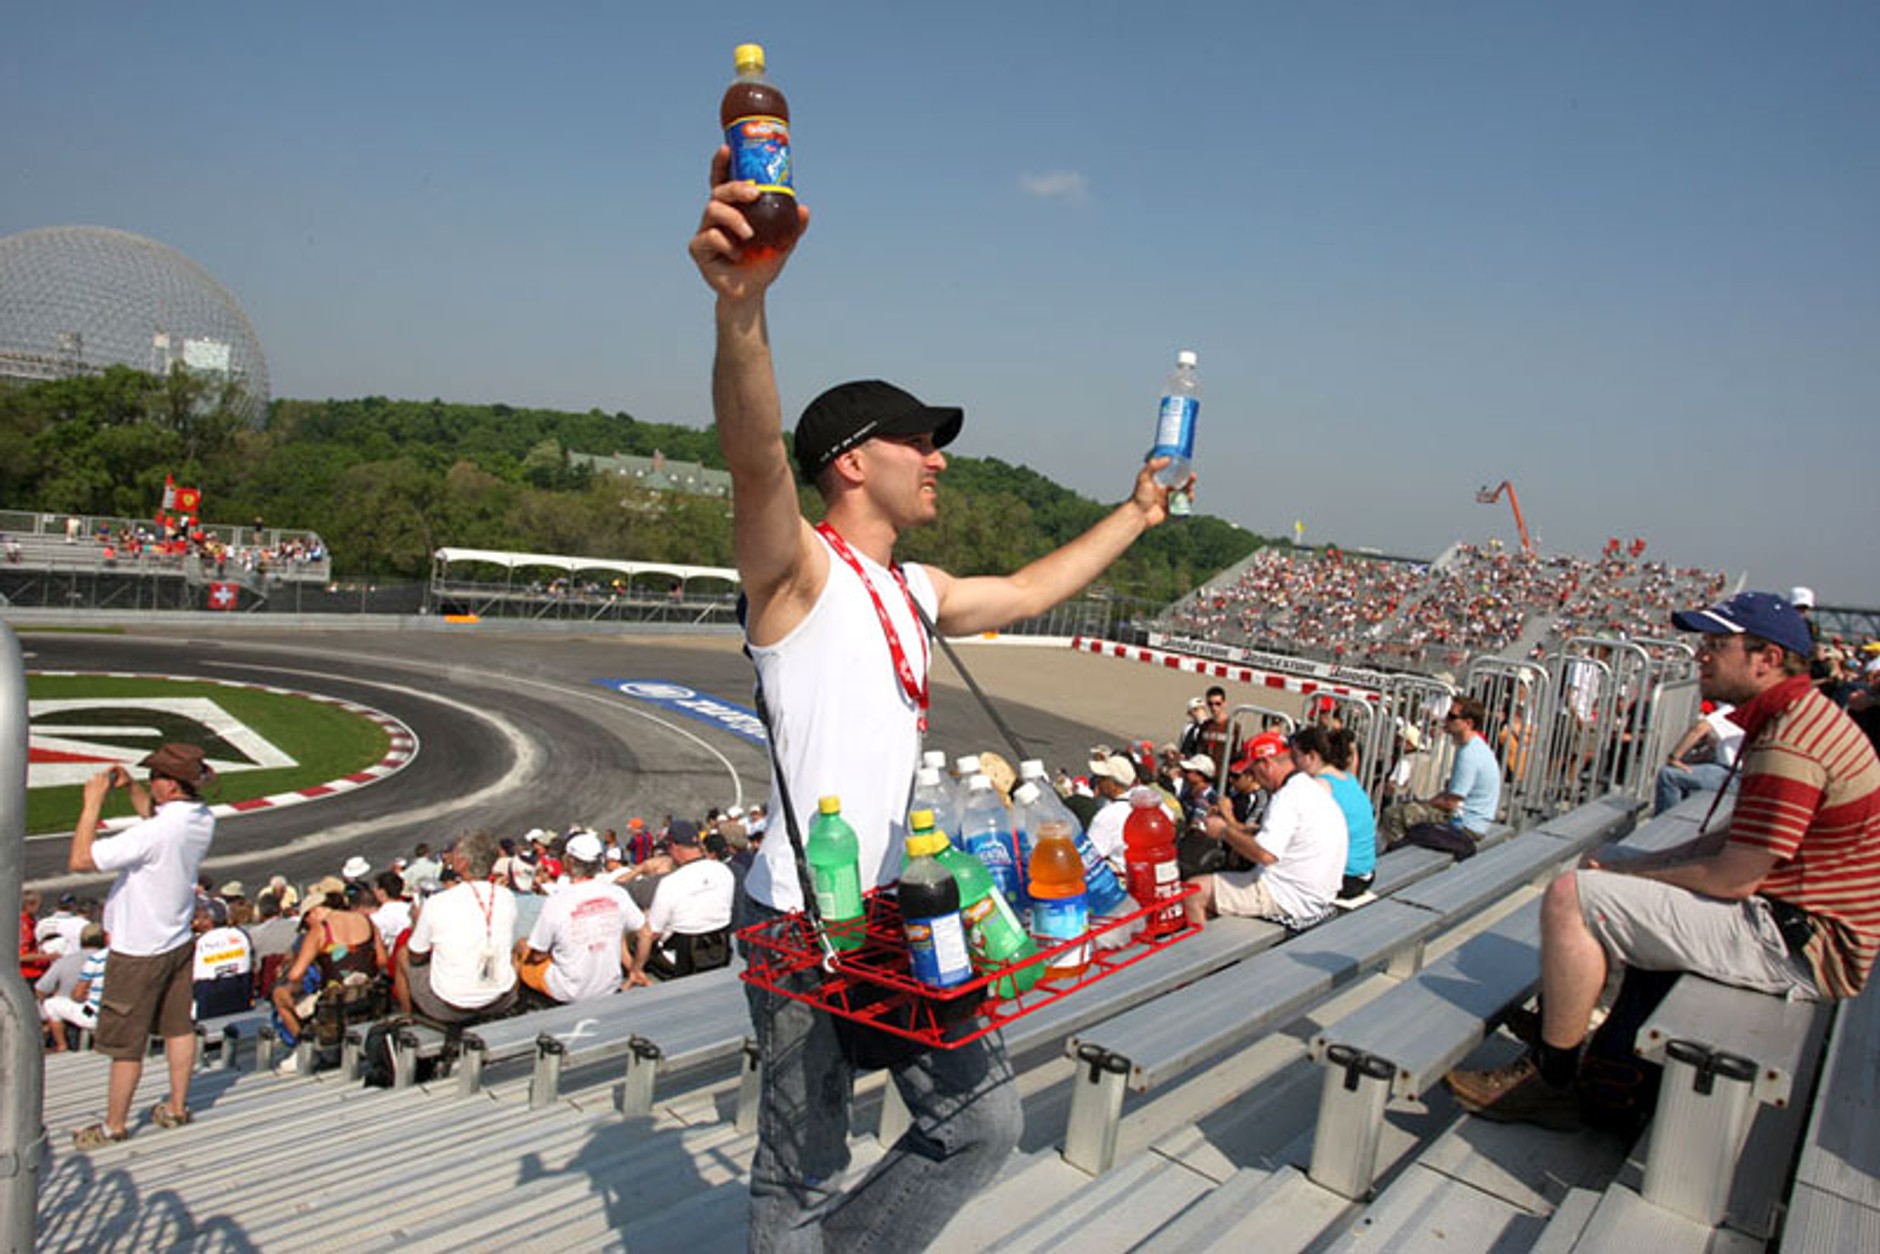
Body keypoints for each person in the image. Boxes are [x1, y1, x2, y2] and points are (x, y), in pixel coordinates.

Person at [689, 148, 1189, 1252]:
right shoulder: (799, 577)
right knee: (803, 1169)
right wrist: (743, 312)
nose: (940, 462)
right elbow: (755, 461)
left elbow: (1027, 589)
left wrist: (1137, 514)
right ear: (854, 462)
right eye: (922, 442)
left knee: (983, 1124)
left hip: (901, 907)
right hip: (803, 923)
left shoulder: (912, 587)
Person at [1447, 591, 1880, 1130]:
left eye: (1718, 644)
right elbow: (1728, 842)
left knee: (1570, 897)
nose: (1702, 655)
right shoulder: (1795, 718)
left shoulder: (1790, 743)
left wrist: (1633, 873)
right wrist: (1626, 864)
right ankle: (1582, 1021)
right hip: (1794, 919)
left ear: (1766, 660)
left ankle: (1549, 1076)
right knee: (1601, 861)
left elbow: (1734, 876)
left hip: (1804, 944)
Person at [66, 743, 216, 1148]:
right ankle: (177, 1107)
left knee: (126, 1045)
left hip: (137, 949)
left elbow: (80, 859)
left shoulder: (155, 832)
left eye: (155, 779)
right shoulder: (201, 817)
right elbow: (157, 816)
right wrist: (135, 788)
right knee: (177, 1027)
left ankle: (115, 1126)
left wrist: (92, 804)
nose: (151, 784)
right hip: (177, 939)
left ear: (170, 785)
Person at [1184, 731, 1348, 929]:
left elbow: (1265, 854)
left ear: (1267, 764)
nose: (1254, 779)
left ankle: (1203, 956)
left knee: (1193, 892)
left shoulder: (1286, 798)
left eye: (1252, 771)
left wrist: (1224, 831)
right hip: (1317, 894)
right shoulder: (1311, 788)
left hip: (1291, 899)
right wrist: (1244, 833)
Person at [397, 832, 519, 1026]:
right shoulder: (506, 897)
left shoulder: (438, 903)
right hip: (500, 997)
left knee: (402, 954)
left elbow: (416, 955)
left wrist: (416, 923)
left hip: (450, 1006)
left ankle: (407, 1017)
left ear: (462, 863)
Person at [516, 830, 648, 1002]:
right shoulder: (617, 894)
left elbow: (538, 954)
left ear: (569, 861)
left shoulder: (557, 901)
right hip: (609, 985)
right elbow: (646, 933)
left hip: (568, 990)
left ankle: (516, 1005)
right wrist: (636, 969)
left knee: (521, 947)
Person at [1378, 696, 1502, 853]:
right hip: (1471, 820)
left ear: (1468, 723)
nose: (1446, 720)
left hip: (1466, 825)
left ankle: (1397, 858)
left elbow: (1451, 803)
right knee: (1410, 811)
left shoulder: (1469, 754)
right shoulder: (1474, 747)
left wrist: (1426, 804)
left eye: (1452, 717)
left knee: (1393, 814)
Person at [633, 820, 736, 981]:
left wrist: (636, 968)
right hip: (721, 950)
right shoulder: (723, 871)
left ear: (674, 846)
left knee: (639, 937)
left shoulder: (671, 883)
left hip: (685, 958)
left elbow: (651, 932)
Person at [1292, 726, 1379, 903]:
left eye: (1296, 757)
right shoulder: (1348, 778)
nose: (1294, 764)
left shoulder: (1320, 787)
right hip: (1365, 873)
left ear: (1311, 757)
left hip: (1344, 878)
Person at [1652, 701, 1743, 815]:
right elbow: (1721, 749)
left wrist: (1674, 757)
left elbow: (1699, 728)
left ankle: (1662, 826)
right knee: (1682, 773)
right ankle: (1677, 816)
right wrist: (1688, 761)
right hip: (1736, 773)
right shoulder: (1744, 710)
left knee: (1668, 775)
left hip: (1733, 777)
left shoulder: (1730, 709)